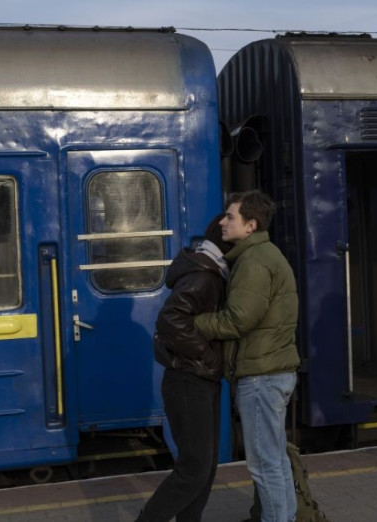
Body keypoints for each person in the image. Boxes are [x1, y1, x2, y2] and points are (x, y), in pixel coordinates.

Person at [194, 190, 300, 522]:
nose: (222, 223)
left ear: (250, 225)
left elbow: (239, 320)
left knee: (265, 465)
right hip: (272, 371)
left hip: (261, 376)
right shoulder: (265, 255)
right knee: (276, 460)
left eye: (230, 217)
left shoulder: (253, 262)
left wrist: (195, 323)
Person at [135, 215, 231, 522]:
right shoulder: (205, 276)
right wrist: (208, 356)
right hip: (190, 380)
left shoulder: (212, 272)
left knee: (204, 468)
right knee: (194, 469)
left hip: (199, 379)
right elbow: (170, 320)